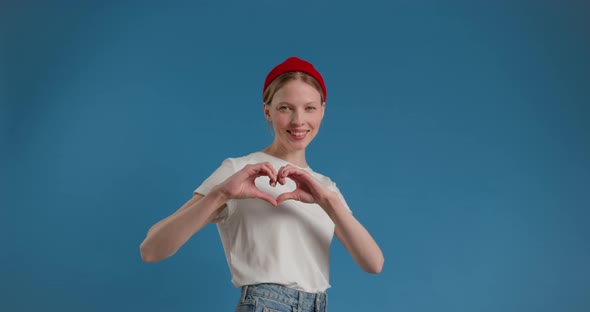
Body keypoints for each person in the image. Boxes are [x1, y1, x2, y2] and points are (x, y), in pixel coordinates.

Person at [139, 56, 384, 312]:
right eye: (285, 108)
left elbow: (373, 263)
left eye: (309, 108)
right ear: (267, 110)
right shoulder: (239, 171)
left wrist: (328, 202)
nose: (299, 120)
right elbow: (152, 250)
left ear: (323, 109)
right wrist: (221, 194)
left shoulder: (324, 187)